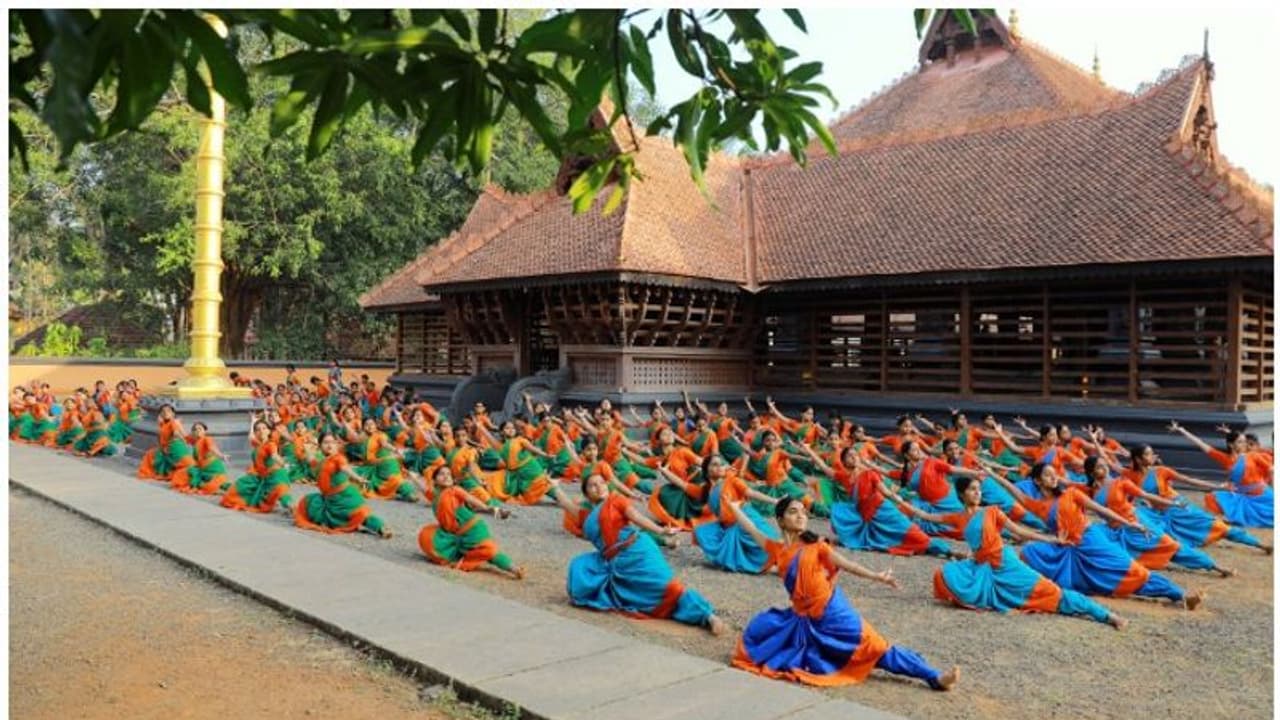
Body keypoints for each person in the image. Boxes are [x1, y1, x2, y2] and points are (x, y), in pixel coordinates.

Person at [728, 496, 960, 691]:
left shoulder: (817, 546)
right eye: (793, 512)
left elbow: (846, 564)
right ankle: (928, 674)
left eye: (803, 512)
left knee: (875, 646)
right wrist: (736, 509)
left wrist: (876, 576)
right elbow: (752, 529)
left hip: (832, 610)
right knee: (766, 636)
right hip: (804, 619)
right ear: (780, 520)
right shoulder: (777, 550)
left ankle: (933, 676)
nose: (801, 516)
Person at [981, 463, 1203, 609]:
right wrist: (989, 472)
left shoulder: (1072, 493)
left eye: (1054, 474)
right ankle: (1010, 587)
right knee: (1029, 552)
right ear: (1038, 481)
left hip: (1092, 540)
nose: (1054, 478)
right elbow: (1010, 488)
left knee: (1131, 569)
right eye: (1047, 476)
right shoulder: (1036, 505)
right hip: (1067, 549)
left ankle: (1179, 594)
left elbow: (1101, 510)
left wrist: (1131, 524)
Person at [931, 476, 1125, 629]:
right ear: (961, 493)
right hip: (983, 568)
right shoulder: (958, 517)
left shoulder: (992, 511)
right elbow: (926, 515)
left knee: (1052, 592)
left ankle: (1105, 615)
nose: (977, 493)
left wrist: (1051, 539)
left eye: (979, 489)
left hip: (1005, 562)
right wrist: (899, 501)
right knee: (943, 574)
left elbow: (1019, 531)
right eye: (972, 489)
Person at [566, 473, 727, 634]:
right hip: (617, 563)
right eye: (592, 485)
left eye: (601, 482)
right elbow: (565, 503)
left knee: (670, 586)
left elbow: (636, 517)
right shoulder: (587, 517)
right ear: (586, 493)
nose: (599, 487)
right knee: (581, 567)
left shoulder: (616, 499)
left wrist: (661, 530)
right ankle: (679, 612)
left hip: (639, 550)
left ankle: (707, 615)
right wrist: (551, 485)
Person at [1084, 455, 1234, 577]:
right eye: (1099, 467)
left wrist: (1173, 504)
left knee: (1171, 547)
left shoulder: (1121, 482)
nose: (1104, 468)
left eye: (1104, 465)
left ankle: (1214, 566)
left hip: (1137, 523)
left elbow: (1145, 495)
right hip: (1115, 531)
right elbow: (1066, 487)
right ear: (1091, 473)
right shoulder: (1089, 491)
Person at [810, 445, 961, 558]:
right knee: (884, 540)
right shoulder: (844, 477)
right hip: (868, 517)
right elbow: (824, 467)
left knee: (913, 533)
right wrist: (808, 450)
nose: (854, 457)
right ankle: (938, 550)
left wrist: (903, 503)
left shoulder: (870, 474)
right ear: (844, 462)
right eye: (850, 456)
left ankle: (947, 550)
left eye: (855, 455)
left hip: (884, 510)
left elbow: (886, 492)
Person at [1125, 444, 1269, 553]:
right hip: (1160, 517)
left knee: (1218, 527)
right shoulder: (1130, 477)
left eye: (1152, 454)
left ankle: (1259, 545)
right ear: (1138, 459)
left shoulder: (1162, 471)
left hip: (1181, 508)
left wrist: (1218, 486)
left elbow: (1189, 480)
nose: (1153, 456)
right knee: (1168, 543)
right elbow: (1129, 500)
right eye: (1148, 454)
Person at [417, 465, 523, 578]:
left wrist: (489, 509)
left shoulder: (454, 490)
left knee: (489, 550)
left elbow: (470, 498)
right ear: (435, 480)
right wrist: (412, 476)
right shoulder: (436, 496)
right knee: (428, 535)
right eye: (442, 474)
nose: (446, 477)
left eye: (448, 474)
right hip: (459, 535)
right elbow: (424, 488)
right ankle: (510, 567)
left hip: (473, 529)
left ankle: (513, 568)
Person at [1168, 422, 1273, 528]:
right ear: (1231, 445)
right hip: (1242, 496)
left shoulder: (1253, 456)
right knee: (1212, 498)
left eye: (1245, 442)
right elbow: (1201, 444)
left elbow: (1271, 469)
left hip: (1262, 495)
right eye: (1241, 442)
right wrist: (1182, 430)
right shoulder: (1225, 459)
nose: (1245, 445)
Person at [691, 455, 782, 573]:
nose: (719, 467)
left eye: (722, 464)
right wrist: (664, 471)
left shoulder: (732, 480)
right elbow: (683, 486)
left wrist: (775, 501)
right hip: (728, 526)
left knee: (769, 548)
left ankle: (775, 565)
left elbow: (751, 493)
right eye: (714, 464)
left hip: (746, 519)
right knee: (700, 531)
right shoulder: (705, 490)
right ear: (706, 469)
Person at [294, 432, 392, 537]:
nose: (329, 445)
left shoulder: (338, 458)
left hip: (345, 496)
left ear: (336, 445)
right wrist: (307, 446)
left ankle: (381, 527)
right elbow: (311, 460)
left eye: (332, 442)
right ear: (320, 446)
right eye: (326, 442)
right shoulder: (321, 462)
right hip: (330, 500)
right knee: (307, 502)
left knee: (360, 515)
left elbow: (345, 468)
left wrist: (358, 478)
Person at [220, 421, 294, 514]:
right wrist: (253, 421)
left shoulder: (270, 444)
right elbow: (250, 437)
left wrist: (283, 464)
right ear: (255, 433)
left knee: (281, 491)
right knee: (239, 487)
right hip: (265, 477)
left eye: (264, 428)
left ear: (269, 431)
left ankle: (293, 508)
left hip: (276, 474)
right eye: (258, 429)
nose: (261, 431)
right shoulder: (258, 446)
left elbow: (274, 455)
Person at [137, 404, 195, 482]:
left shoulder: (173, 422)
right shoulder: (164, 423)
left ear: (173, 413)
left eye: (168, 411)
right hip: (166, 447)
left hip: (174, 447)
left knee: (187, 465)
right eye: (163, 411)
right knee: (150, 454)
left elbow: (176, 433)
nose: (165, 413)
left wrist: (182, 440)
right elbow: (162, 436)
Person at [170, 422, 229, 495]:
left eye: (200, 429)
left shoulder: (207, 439)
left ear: (205, 431)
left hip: (213, 469)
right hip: (202, 469)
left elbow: (212, 448)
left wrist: (221, 456)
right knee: (182, 474)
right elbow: (184, 437)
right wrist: (178, 425)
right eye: (195, 429)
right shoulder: (195, 441)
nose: (197, 431)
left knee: (217, 484)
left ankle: (219, 488)